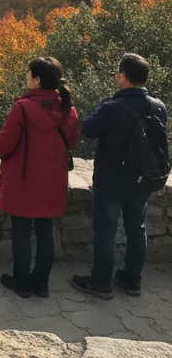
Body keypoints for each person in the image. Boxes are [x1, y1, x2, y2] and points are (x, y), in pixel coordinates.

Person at [72, 53, 168, 298]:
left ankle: (100, 282)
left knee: (106, 230)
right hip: (142, 180)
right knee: (137, 228)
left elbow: (88, 128)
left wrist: (103, 105)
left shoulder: (113, 108)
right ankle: (131, 279)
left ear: (122, 77)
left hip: (112, 180)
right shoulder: (159, 106)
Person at [0, 56, 79, 298]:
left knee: (21, 229)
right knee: (46, 230)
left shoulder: (22, 108)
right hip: (53, 180)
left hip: (23, 178)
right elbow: (72, 142)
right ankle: (41, 283)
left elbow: (4, 145)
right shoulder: (67, 109)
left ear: (38, 80)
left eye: (29, 74)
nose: (26, 78)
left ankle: (21, 282)